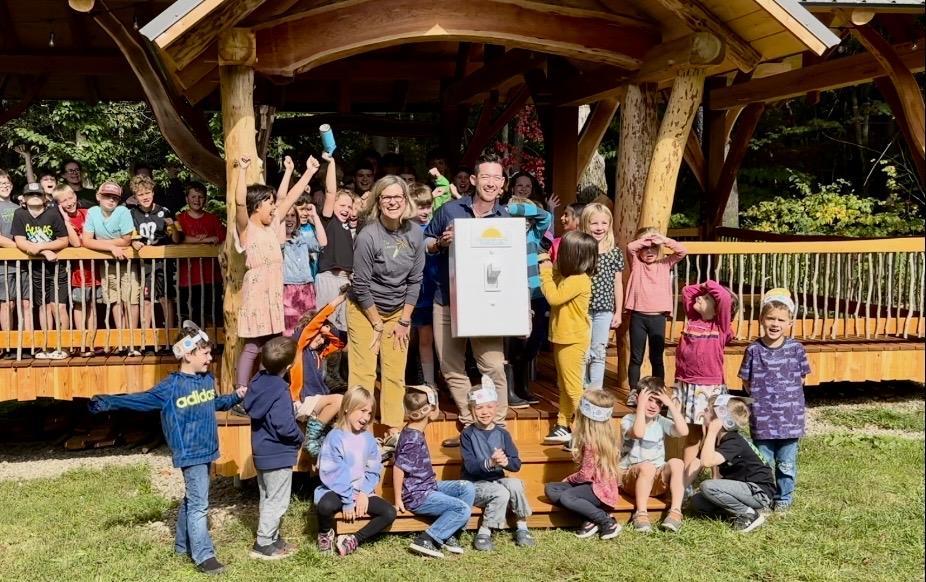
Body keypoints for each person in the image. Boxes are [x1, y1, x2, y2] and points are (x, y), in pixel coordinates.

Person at [88, 322, 246, 574]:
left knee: (193, 499)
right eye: (204, 353)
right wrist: (106, 402)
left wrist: (236, 397)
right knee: (199, 505)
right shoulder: (170, 387)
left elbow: (214, 403)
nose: (209, 357)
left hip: (207, 448)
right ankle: (204, 557)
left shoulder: (206, 380)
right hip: (189, 453)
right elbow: (138, 400)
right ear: (187, 354)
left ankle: (182, 546)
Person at [424, 152, 511, 446]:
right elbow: (425, 241)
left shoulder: (506, 218)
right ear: (473, 180)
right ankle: (470, 421)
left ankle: (497, 425)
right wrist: (439, 243)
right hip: (446, 299)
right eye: (484, 176)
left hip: (487, 305)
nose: (489, 182)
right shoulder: (449, 210)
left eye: (495, 178)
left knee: (493, 366)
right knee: (450, 365)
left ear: (502, 184)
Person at [233, 155, 317, 393]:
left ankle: (264, 386)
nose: (273, 207)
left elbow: (289, 198)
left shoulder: (272, 227)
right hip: (257, 294)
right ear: (256, 205)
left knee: (271, 345)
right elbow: (240, 203)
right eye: (268, 203)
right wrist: (241, 170)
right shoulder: (247, 228)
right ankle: (241, 389)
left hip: (274, 295)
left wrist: (308, 172)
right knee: (253, 344)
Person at [348, 176, 425, 438]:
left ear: (406, 200)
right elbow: (360, 285)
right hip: (364, 309)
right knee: (364, 373)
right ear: (378, 202)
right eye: (387, 197)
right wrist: (376, 324)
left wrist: (404, 321)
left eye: (398, 197)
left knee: (394, 371)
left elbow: (415, 280)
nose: (393, 202)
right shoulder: (368, 235)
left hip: (398, 312)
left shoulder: (415, 232)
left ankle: (393, 430)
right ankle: (361, 430)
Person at [739, 288, 810, 512]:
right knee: (763, 463)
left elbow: (802, 379)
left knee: (786, 463)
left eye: (781, 319)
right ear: (761, 319)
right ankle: (763, 497)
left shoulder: (796, 349)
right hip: (763, 419)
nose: (775, 323)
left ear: (790, 322)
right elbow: (746, 382)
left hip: (790, 420)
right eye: (770, 318)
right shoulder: (753, 350)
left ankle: (783, 498)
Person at [394, 385, 475, 558]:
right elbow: (398, 467)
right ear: (430, 410)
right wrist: (397, 499)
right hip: (418, 496)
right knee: (462, 509)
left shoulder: (415, 431)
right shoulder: (413, 439)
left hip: (428, 486)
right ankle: (427, 539)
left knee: (466, 487)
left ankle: (450, 534)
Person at [315, 386, 396, 556]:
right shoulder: (334, 437)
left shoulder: (368, 440)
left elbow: (373, 470)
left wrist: (364, 493)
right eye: (362, 411)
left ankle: (354, 539)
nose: (366, 417)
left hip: (360, 491)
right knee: (324, 506)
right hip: (337, 490)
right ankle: (325, 533)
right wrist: (347, 501)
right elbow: (334, 473)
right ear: (347, 408)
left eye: (369, 413)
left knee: (389, 512)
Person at [243, 336, 302, 560]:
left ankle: (273, 536)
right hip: (278, 453)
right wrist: (299, 436)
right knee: (277, 501)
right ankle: (263, 544)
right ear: (288, 366)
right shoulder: (279, 389)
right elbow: (284, 425)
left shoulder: (257, 382)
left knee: (267, 497)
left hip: (262, 452)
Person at [537, 230, 597, 444]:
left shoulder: (578, 280)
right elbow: (557, 280)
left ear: (573, 255)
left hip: (572, 339)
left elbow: (554, 297)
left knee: (573, 388)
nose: (558, 254)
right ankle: (564, 424)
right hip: (564, 337)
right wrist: (549, 265)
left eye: (562, 251)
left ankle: (588, 430)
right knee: (564, 385)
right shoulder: (570, 276)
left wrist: (544, 272)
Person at [460, 382, 534, 551]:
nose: (484, 412)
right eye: (479, 408)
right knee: (500, 492)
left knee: (515, 484)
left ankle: (522, 526)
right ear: (471, 410)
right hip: (474, 485)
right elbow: (470, 467)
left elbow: (516, 465)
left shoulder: (502, 433)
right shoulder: (468, 434)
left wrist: (505, 462)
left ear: (496, 407)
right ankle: (485, 531)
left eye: (489, 407)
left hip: (497, 480)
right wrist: (490, 463)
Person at [688, 394, 775, 533]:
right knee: (697, 501)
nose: (703, 412)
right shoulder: (719, 439)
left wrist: (711, 431)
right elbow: (697, 463)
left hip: (758, 492)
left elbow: (707, 461)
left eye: (707, 410)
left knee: (708, 486)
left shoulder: (734, 441)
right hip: (744, 490)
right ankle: (738, 513)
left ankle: (750, 514)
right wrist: (679, 494)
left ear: (720, 419)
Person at [675, 279, 737, 469]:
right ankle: (685, 478)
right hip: (688, 384)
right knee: (693, 434)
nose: (700, 296)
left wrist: (711, 284)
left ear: (718, 308)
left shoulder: (720, 326)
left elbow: (725, 297)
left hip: (709, 386)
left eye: (708, 297)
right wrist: (703, 288)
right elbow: (687, 291)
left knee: (715, 431)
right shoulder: (693, 319)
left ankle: (717, 475)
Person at [544, 391, 622, 540]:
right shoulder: (600, 438)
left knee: (567, 497)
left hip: (600, 490)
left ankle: (606, 521)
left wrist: (570, 479)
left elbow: (585, 474)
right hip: (589, 486)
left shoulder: (591, 443)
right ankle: (591, 519)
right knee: (551, 488)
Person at [624, 227, 688, 405]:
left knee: (656, 357)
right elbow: (630, 248)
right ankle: (633, 392)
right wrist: (645, 240)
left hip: (658, 318)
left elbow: (682, 251)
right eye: (645, 248)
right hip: (638, 316)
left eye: (653, 247)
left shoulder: (665, 263)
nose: (649, 251)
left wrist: (663, 239)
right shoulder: (637, 264)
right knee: (636, 357)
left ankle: (659, 390)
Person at [619, 377, 688, 533]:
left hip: (655, 481)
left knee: (677, 463)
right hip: (630, 479)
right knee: (647, 467)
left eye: (658, 402)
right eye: (649, 400)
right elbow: (638, 432)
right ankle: (641, 513)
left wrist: (670, 404)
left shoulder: (660, 421)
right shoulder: (628, 420)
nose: (653, 405)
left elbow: (683, 431)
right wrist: (640, 406)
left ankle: (675, 512)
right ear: (639, 399)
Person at [288, 290, 349, 457]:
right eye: (318, 336)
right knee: (339, 400)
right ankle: (312, 438)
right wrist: (338, 301)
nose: (321, 340)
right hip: (301, 402)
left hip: (317, 401)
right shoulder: (298, 348)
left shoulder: (320, 353)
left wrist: (326, 331)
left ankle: (326, 442)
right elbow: (312, 326)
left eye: (323, 338)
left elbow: (341, 341)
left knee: (348, 404)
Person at [12, 183, 70, 355]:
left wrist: (41, 247)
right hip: (36, 268)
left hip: (57, 267)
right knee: (43, 306)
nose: (35, 197)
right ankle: (46, 345)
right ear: (24, 199)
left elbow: (63, 240)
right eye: (30, 194)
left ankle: (63, 345)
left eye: (38, 194)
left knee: (58, 306)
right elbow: (20, 241)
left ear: (45, 198)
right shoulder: (20, 214)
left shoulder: (53, 213)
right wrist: (44, 251)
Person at [505, 196, 553, 407]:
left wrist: (519, 208)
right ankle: (512, 389)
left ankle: (523, 386)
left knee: (535, 342)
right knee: (514, 345)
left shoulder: (534, 233)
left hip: (536, 295)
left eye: (527, 216)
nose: (524, 220)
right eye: (518, 216)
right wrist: (511, 212)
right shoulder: (506, 234)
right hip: (514, 296)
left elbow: (547, 216)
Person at [82, 182, 139, 340]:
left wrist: (101, 244)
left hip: (127, 262)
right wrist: (111, 248)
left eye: (115, 198)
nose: (111, 200)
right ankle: (121, 339)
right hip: (107, 264)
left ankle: (132, 339)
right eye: (107, 196)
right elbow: (86, 241)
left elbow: (126, 240)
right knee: (114, 300)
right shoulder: (93, 212)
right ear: (98, 197)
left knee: (131, 299)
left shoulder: (123, 211)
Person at [579, 203, 624, 391]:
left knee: (599, 349)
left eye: (604, 223)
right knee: (583, 349)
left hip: (604, 309)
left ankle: (595, 389)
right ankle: (579, 388)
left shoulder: (614, 252)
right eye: (594, 223)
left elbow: (617, 283)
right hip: (582, 307)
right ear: (585, 224)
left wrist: (618, 311)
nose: (599, 228)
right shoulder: (581, 249)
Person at [128, 175, 181, 335]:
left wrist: (173, 227)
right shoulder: (132, 214)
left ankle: (169, 336)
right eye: (141, 194)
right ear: (135, 197)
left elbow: (176, 239)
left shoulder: (164, 211)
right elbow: (129, 235)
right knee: (146, 298)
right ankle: (145, 337)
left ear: (153, 193)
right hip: (145, 264)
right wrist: (133, 242)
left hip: (164, 262)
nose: (145, 197)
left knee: (166, 297)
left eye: (148, 193)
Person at [53, 184, 100, 356]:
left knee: (93, 305)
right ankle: (81, 343)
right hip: (77, 273)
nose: (69, 202)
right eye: (64, 201)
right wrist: (65, 220)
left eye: (70, 197)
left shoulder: (88, 213)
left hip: (94, 269)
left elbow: (94, 236)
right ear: (59, 204)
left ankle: (92, 343)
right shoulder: (61, 220)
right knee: (80, 305)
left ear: (75, 196)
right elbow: (75, 243)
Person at [176, 182, 225, 326]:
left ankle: (213, 345)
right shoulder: (180, 219)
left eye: (200, 197)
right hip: (187, 277)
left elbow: (221, 238)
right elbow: (179, 238)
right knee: (191, 315)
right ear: (187, 199)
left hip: (211, 276)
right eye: (193, 196)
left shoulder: (213, 219)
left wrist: (196, 240)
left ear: (205, 199)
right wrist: (207, 239)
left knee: (212, 314)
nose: (197, 200)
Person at [409, 184, 439, 387]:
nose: (425, 211)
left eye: (428, 206)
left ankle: (429, 383)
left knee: (427, 339)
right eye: (420, 207)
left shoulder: (435, 227)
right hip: (412, 293)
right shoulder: (405, 230)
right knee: (407, 341)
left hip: (432, 292)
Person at [282, 205, 326, 336]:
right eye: (286, 216)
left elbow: (322, 243)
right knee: (290, 330)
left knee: (309, 327)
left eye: (292, 216)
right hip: (288, 288)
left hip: (307, 287)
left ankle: (306, 356)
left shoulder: (301, 237)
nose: (289, 219)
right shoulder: (277, 240)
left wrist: (315, 217)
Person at [0, 170, 28, 342]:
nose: (4, 186)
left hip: (24, 263)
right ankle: (9, 343)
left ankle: (25, 343)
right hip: (4, 264)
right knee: (7, 304)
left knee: (25, 303)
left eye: (7, 183)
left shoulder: (19, 207)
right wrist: (20, 247)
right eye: (0, 183)